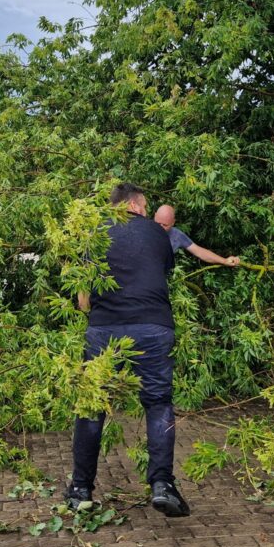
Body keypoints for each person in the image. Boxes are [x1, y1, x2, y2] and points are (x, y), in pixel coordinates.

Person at [70, 184, 190, 517]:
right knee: (158, 403)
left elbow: (83, 301)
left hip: (103, 329)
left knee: (92, 407)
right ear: (135, 206)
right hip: (154, 327)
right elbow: (159, 273)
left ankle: (80, 489)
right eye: (146, 205)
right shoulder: (157, 232)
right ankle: (162, 484)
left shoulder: (94, 235)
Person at [153, 205, 240, 267]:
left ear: (173, 222)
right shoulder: (144, 228)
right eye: (158, 223)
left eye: (165, 225)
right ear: (155, 216)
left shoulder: (177, 235)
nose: (160, 227)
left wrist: (224, 261)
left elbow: (199, 252)